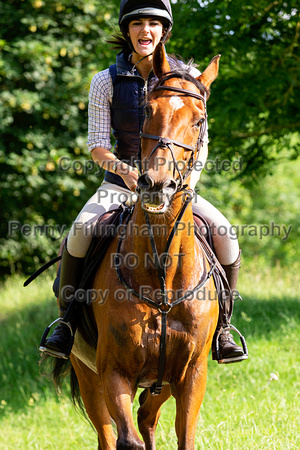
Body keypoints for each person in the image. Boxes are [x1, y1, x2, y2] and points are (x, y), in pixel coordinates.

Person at [40, 0, 247, 364]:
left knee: (226, 235)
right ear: (127, 30)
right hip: (121, 185)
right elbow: (97, 146)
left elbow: (201, 144)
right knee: (79, 233)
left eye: (153, 23)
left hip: (176, 188)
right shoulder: (105, 81)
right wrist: (125, 171)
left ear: (163, 30)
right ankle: (67, 323)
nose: (145, 31)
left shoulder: (187, 79)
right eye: (137, 24)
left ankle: (224, 329)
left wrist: (181, 185)